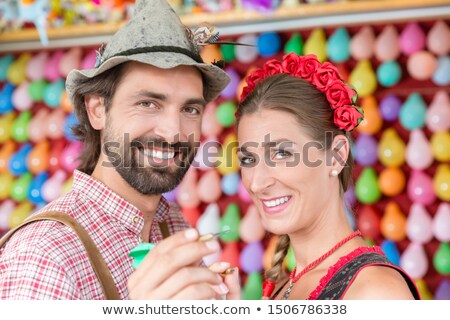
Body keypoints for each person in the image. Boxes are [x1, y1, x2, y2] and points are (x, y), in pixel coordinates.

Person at [0, 0, 239, 300]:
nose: (173, 132)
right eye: (148, 103)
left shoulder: (172, 224)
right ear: (97, 110)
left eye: (190, 109)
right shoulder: (44, 255)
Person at [235, 53, 420, 300]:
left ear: (336, 156)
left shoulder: (376, 292)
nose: (257, 183)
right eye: (248, 159)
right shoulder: (284, 288)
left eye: (281, 153)